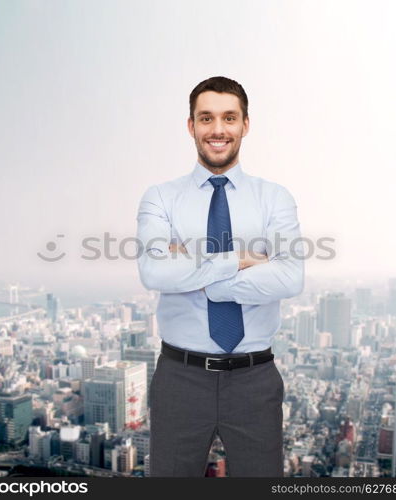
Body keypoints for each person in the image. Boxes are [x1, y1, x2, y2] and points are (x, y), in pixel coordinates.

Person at [136, 76, 305, 477]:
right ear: (191, 125)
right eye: (206, 117)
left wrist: (196, 269)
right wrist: (243, 259)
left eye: (229, 117)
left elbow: (290, 278)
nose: (218, 129)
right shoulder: (160, 197)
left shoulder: (274, 197)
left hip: (255, 379)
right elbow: (154, 271)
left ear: (245, 124)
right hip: (180, 378)